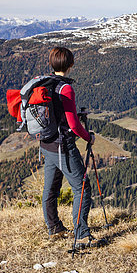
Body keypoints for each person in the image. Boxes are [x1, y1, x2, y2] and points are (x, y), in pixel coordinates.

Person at [40, 46, 98, 246]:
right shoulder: (66, 88)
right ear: (71, 64)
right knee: (82, 187)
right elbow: (73, 125)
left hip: (46, 144)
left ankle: (54, 228)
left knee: (50, 189)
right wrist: (88, 137)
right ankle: (81, 234)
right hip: (63, 147)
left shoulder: (46, 85)